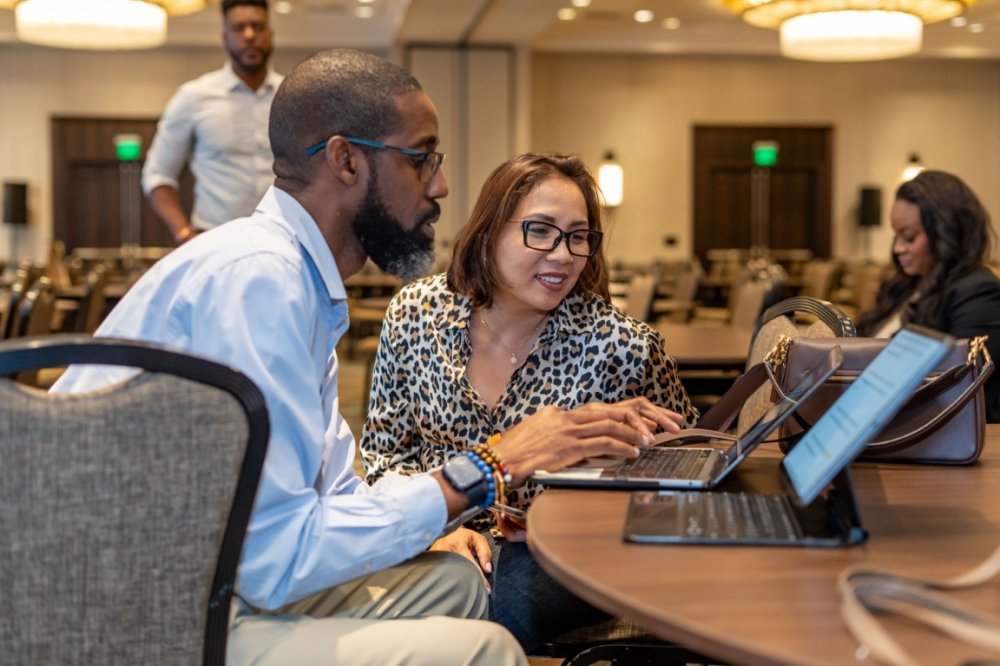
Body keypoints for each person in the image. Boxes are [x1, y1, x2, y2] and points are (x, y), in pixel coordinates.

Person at [52, 50, 682, 665]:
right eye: (421, 159)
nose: (440, 186)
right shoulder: (258, 280)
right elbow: (279, 558)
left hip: (217, 570)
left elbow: (336, 494)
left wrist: (451, 511)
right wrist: (493, 465)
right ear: (345, 160)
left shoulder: (300, 282)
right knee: (486, 648)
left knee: (459, 585)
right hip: (147, 610)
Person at [361, 152, 698, 650]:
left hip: (557, 551)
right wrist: (432, 530)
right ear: (489, 232)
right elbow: (385, 456)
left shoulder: (623, 347)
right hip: (436, 534)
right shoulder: (415, 315)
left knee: (473, 624)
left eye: (578, 237)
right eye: (540, 231)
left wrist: (582, 514)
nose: (563, 255)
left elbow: (687, 472)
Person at [857, 170, 1000, 422]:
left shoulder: (978, 292)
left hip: (932, 429)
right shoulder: (908, 285)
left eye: (909, 237)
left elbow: (958, 388)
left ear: (946, 232)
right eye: (896, 235)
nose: (897, 248)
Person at [142, 0, 282, 245]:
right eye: (239, 28)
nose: (250, 35)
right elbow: (157, 175)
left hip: (282, 238)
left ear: (270, 34)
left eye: (258, 26)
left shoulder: (291, 96)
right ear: (225, 36)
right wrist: (184, 234)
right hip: (214, 240)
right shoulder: (193, 97)